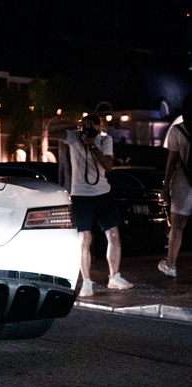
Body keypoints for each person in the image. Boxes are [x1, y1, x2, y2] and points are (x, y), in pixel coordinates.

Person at [60, 114, 133, 297]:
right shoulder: (74, 137)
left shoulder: (104, 140)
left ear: (100, 127)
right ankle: (86, 282)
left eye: (93, 126)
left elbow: (108, 166)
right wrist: (77, 124)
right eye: (87, 126)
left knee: (114, 234)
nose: (90, 129)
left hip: (103, 192)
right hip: (80, 195)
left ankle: (114, 276)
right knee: (84, 238)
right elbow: (57, 129)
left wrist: (92, 145)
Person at [159, 93, 192, 277]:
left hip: (183, 184)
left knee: (177, 227)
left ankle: (171, 266)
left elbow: (171, 162)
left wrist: (166, 187)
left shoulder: (177, 130)